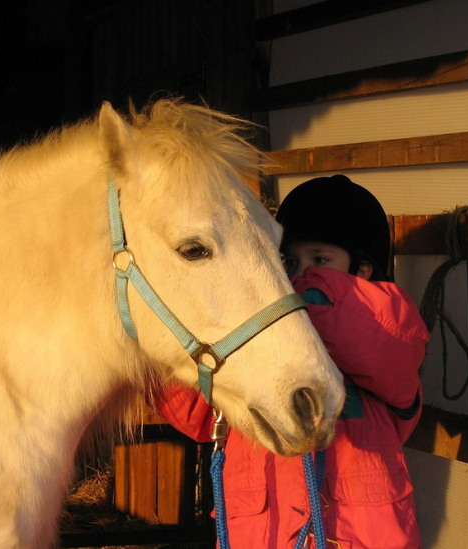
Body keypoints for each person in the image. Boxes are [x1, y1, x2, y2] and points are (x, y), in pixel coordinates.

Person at [151, 174, 429, 548]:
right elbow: (200, 415)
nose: (299, 274)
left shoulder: (389, 326)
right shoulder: (256, 340)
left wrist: (289, 301)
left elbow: (384, 342)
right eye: (290, 261)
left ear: (362, 271)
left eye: (319, 259)